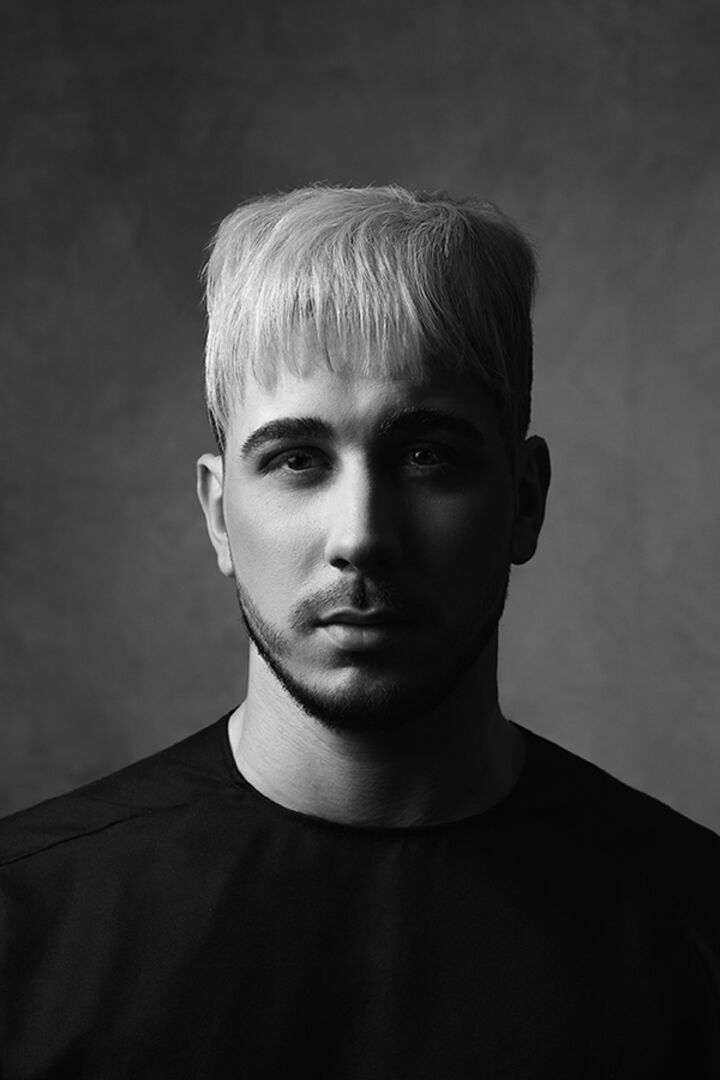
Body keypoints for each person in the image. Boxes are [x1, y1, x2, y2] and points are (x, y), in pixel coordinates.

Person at [0, 185, 718, 1079]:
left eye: (425, 456)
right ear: (220, 515)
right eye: (297, 460)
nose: (362, 537)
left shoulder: (697, 933)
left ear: (525, 501)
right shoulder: (25, 932)